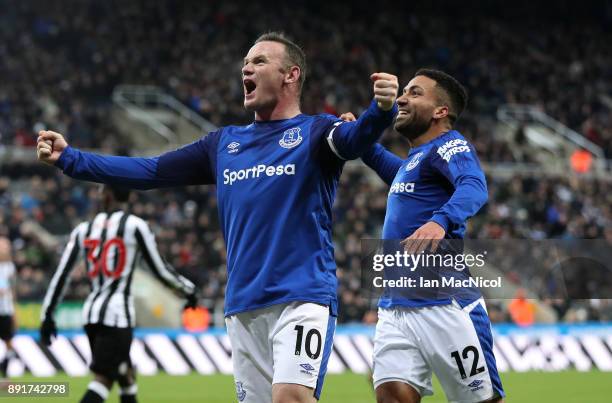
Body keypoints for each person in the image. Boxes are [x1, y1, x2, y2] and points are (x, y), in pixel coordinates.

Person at [36, 32, 398, 403]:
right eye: (245, 63)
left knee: (291, 397)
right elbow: (148, 171)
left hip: (301, 296)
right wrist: (71, 158)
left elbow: (355, 138)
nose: (246, 68)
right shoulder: (223, 144)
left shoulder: (317, 132)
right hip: (243, 305)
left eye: (258, 61)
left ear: (290, 75)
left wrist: (381, 110)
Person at [352, 69, 504, 402]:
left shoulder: (450, 145)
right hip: (395, 307)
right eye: (404, 92)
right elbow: (386, 166)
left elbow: (474, 186)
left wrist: (441, 220)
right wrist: (358, 134)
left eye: (415, 93)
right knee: (392, 394)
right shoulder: (416, 161)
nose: (403, 98)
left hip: (444, 304)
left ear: (440, 111)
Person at [40, 185, 198, 403]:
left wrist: (47, 315)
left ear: (107, 194)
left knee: (125, 374)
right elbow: (159, 269)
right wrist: (188, 291)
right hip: (117, 316)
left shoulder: (83, 229)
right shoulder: (135, 226)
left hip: (92, 315)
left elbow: (61, 276)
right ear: (129, 195)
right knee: (103, 380)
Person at [0, 237, 17, 379]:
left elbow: (12, 291)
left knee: (9, 342)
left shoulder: (9, 267)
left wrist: (14, 312)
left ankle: (4, 368)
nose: (5, 249)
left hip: (5, 311)